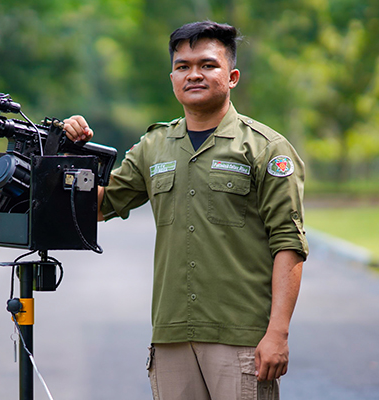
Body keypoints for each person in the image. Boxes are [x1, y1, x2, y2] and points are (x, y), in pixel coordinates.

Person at [64, 21, 307, 400]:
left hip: (241, 338)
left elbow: (288, 243)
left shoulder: (265, 149)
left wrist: (278, 332)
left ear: (233, 76)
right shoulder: (154, 146)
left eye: (208, 65)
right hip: (171, 336)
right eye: (183, 66)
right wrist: (66, 155)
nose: (194, 74)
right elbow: (99, 205)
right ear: (173, 76)